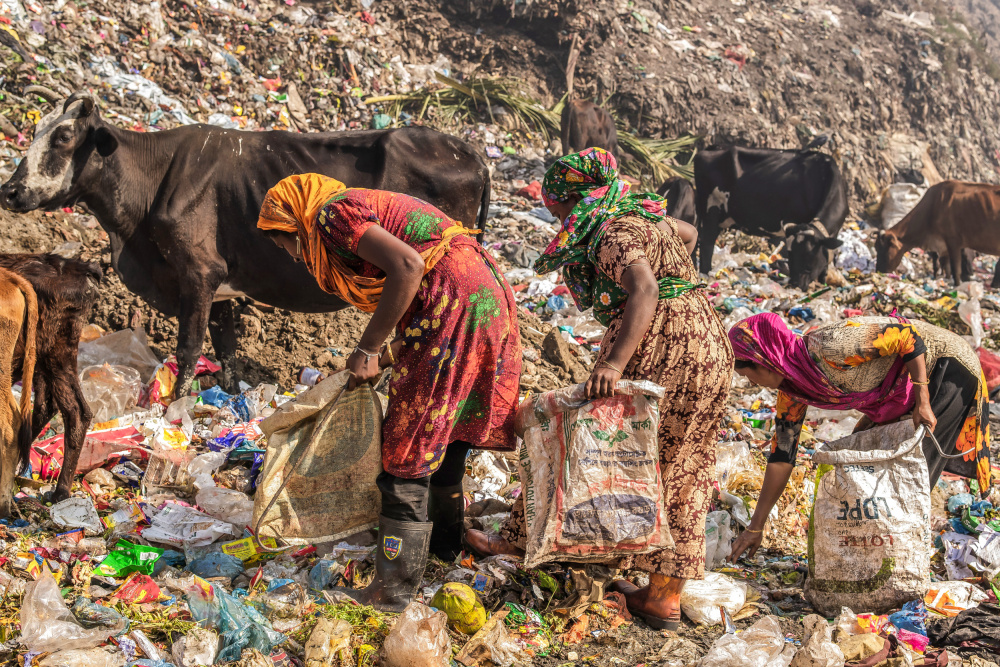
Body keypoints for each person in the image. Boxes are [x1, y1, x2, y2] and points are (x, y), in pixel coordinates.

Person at [465, 148, 734, 630]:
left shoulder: (611, 232)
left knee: (588, 442)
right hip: (710, 344)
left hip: (663, 345)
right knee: (683, 464)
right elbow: (689, 234)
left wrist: (613, 361)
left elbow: (645, 290)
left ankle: (520, 541)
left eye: (561, 209)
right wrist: (677, 282)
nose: (561, 220)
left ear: (579, 199)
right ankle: (662, 598)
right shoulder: (645, 220)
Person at [257, 174, 522, 612]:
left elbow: (409, 267)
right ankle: (444, 549)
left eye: (281, 242)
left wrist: (367, 348)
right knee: (448, 428)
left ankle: (392, 590)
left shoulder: (330, 215)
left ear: (294, 220)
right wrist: (380, 359)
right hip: (482, 293)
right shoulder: (354, 208)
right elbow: (416, 322)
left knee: (409, 441)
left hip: (452, 295)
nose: (288, 255)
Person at [727, 313, 992, 562]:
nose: (751, 383)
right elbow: (782, 455)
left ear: (765, 358)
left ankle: (900, 562)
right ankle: (874, 557)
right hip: (899, 388)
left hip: (945, 369)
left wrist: (923, 399)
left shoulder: (831, 346)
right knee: (871, 468)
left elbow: (907, 337)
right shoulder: (793, 390)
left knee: (913, 472)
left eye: (748, 374)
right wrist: (755, 527)